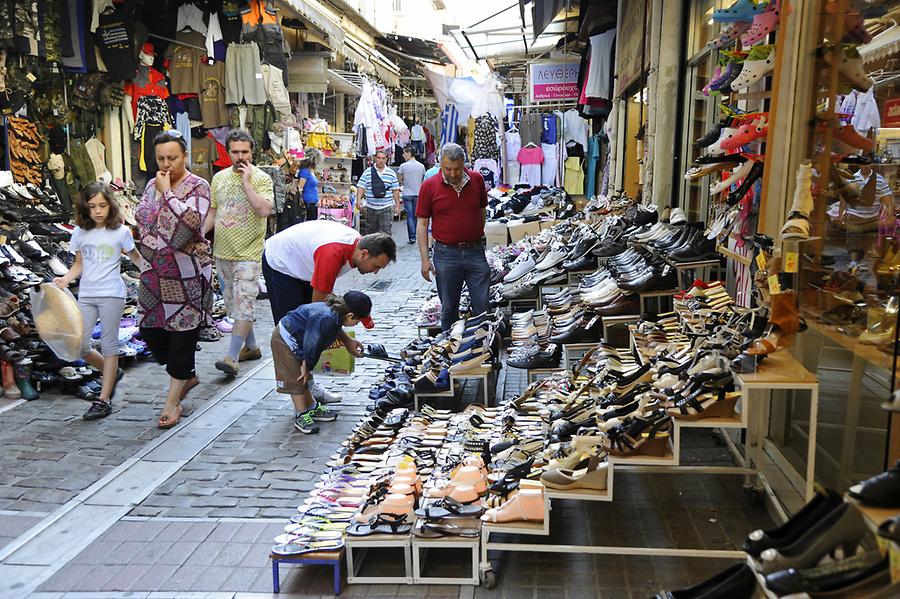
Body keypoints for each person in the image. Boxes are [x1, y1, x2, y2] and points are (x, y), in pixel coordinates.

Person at [262, 220, 396, 403]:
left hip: (302, 264)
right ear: (364, 254)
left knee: (306, 335)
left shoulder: (354, 248)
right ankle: (303, 401)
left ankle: (308, 389)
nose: (375, 273)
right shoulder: (332, 253)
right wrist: (344, 339)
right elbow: (319, 316)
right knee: (294, 336)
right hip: (280, 263)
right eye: (377, 266)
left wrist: (345, 339)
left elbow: (328, 309)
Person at [136, 130, 213, 429]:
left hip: (186, 272)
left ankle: (172, 401)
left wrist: (167, 194)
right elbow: (143, 218)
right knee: (151, 329)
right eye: (161, 158)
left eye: (173, 157)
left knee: (183, 334)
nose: (166, 164)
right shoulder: (152, 184)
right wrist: (158, 193)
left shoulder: (199, 186)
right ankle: (186, 375)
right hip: (154, 271)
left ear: (185, 156)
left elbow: (191, 224)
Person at [53, 183, 149, 420]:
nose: (97, 211)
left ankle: (103, 399)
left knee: (108, 345)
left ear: (110, 205)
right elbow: (79, 264)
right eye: (92, 206)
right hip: (86, 294)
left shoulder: (121, 232)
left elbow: (137, 259)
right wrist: (65, 279)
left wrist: (154, 274)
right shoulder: (79, 233)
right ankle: (111, 372)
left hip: (112, 295)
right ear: (85, 208)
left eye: (102, 205)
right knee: (80, 346)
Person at [202, 130, 273, 378]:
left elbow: (264, 210)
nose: (240, 156)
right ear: (228, 152)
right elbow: (213, 212)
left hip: (249, 253)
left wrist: (246, 182)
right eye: (235, 152)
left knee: (245, 303)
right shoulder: (219, 179)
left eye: (245, 151)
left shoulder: (262, 179)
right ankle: (251, 347)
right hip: (222, 252)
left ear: (252, 152)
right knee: (235, 304)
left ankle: (231, 357)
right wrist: (200, 235)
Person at [271, 290, 374, 433]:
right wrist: (306, 365)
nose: (357, 324)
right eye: (357, 321)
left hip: (298, 340)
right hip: (286, 339)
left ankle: (312, 407)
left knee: (304, 378)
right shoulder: (326, 317)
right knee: (297, 378)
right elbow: (311, 343)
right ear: (350, 316)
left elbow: (333, 331)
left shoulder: (335, 315)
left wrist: (347, 340)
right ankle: (301, 414)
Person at [416, 142, 490, 332]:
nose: (453, 173)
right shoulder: (429, 186)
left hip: (475, 251)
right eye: (448, 169)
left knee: (482, 305)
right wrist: (425, 260)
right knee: (449, 307)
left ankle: (482, 347)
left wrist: (475, 233)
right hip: (446, 253)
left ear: (464, 163)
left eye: (457, 169)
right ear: (440, 164)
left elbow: (482, 211)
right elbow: (422, 224)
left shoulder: (476, 180)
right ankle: (449, 349)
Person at [356, 149, 400, 236]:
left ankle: (384, 250)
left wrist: (398, 205)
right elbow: (361, 187)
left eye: (383, 158)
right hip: (370, 208)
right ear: (375, 158)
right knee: (371, 234)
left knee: (385, 234)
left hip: (386, 207)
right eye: (379, 158)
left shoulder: (391, 173)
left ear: (386, 159)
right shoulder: (367, 172)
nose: (381, 160)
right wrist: (358, 200)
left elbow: (395, 190)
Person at [396, 145, 426, 245]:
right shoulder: (421, 166)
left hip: (407, 193)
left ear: (409, 153)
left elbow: (399, 179)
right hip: (418, 193)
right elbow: (423, 179)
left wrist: (404, 181)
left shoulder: (403, 166)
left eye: (404, 153)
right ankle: (418, 234)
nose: (403, 155)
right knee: (416, 215)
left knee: (409, 216)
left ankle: (412, 237)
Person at [296, 147, 323, 222]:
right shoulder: (305, 172)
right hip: (308, 204)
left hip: (312, 203)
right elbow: (300, 188)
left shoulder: (310, 172)